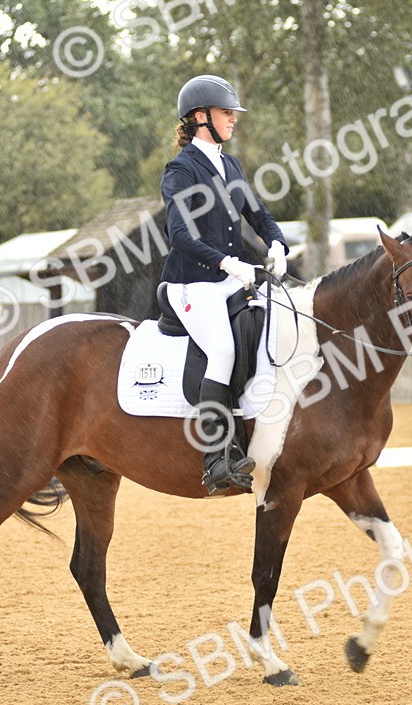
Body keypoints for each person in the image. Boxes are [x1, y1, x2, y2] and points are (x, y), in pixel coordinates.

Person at [161, 75, 289, 494]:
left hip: (230, 280)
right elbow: (180, 235)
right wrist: (229, 264)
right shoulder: (181, 169)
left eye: (232, 113)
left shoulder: (229, 165)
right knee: (223, 348)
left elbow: (258, 213)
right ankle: (215, 459)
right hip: (191, 283)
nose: (233, 120)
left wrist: (277, 244)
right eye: (225, 113)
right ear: (201, 118)